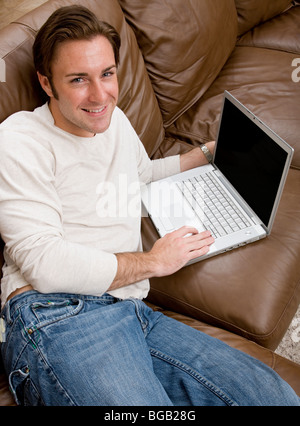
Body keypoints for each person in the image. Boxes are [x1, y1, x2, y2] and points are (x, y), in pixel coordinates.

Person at [0, 6, 298, 406]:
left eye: (107, 74)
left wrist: (205, 155)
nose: (100, 94)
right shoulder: (20, 139)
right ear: (46, 83)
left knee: (273, 396)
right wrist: (155, 262)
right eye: (78, 80)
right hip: (57, 314)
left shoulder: (113, 119)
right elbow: (46, 265)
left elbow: (139, 175)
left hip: (131, 310)